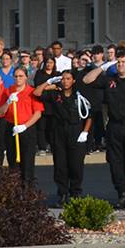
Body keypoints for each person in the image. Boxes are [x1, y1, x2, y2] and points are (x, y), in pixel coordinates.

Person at [86, 54, 125, 208]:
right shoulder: (110, 79)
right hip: (114, 126)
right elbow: (87, 80)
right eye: (118, 62)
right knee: (115, 162)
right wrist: (103, 66)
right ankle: (121, 193)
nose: (120, 64)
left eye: (123, 62)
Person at [40, 69, 94, 204]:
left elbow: (89, 115)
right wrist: (48, 82)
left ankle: (75, 193)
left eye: (68, 78)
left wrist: (85, 132)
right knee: (60, 165)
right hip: (59, 131)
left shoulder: (79, 95)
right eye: (63, 78)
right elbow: (36, 92)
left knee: (76, 165)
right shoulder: (54, 94)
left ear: (73, 81)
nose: (65, 81)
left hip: (76, 131)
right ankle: (62, 193)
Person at [1, 66, 44, 189]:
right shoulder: (8, 91)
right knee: (12, 160)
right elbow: (0, 112)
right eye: (16, 76)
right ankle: (15, 190)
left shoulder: (32, 92)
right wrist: (8, 102)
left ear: (26, 77)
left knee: (27, 161)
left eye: (21, 76)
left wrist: (24, 126)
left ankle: (27, 191)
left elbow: (38, 113)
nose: (18, 78)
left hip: (26, 129)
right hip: (11, 128)